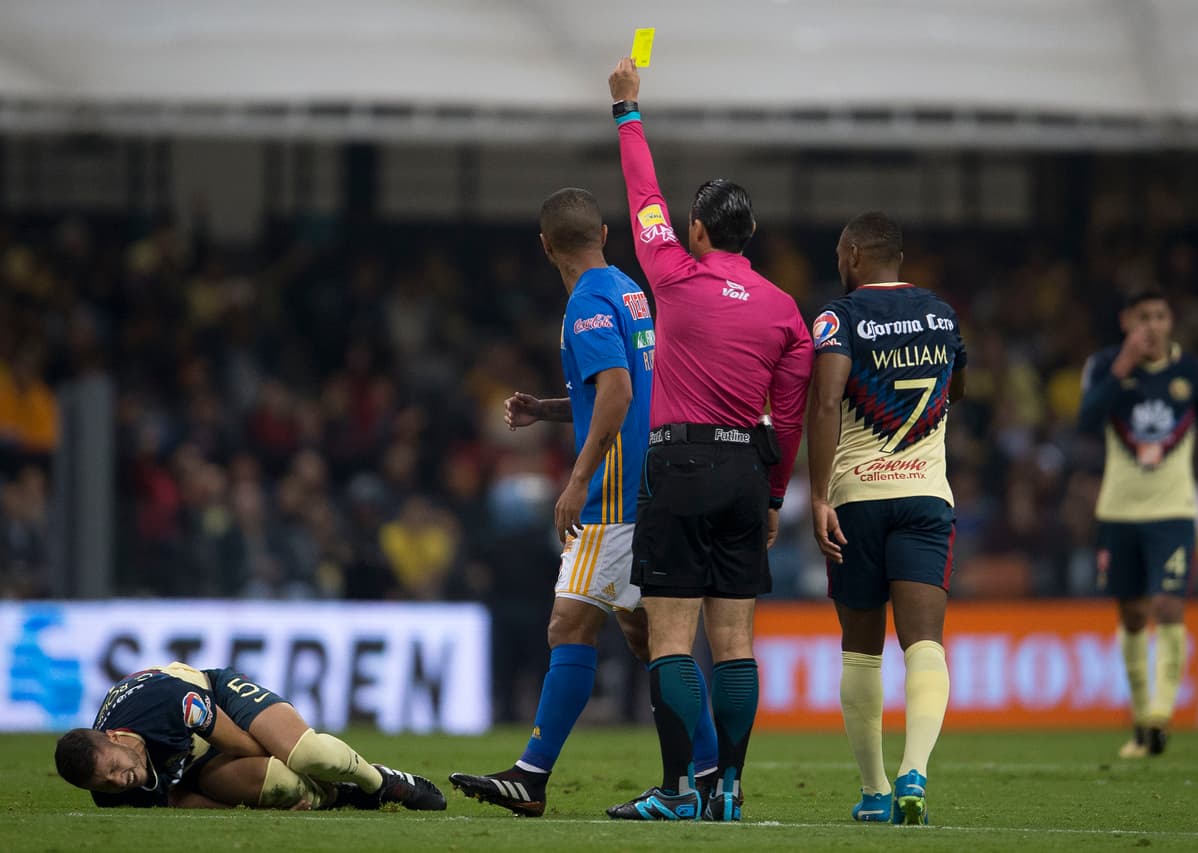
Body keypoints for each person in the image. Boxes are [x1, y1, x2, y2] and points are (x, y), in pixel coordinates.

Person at [449, 188, 718, 816]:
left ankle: (531, 775)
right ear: (603, 232)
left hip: (615, 498)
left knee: (569, 626)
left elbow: (619, 392)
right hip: (652, 487)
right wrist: (549, 409)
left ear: (545, 247)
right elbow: (627, 387)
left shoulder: (585, 304)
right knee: (653, 640)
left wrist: (575, 480)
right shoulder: (628, 289)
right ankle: (707, 775)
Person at [605, 59, 812, 822]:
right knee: (735, 642)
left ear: (698, 232)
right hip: (743, 471)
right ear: (749, 234)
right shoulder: (785, 309)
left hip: (680, 462)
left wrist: (628, 110)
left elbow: (642, 196)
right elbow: (786, 419)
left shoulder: (672, 273)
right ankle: (728, 787)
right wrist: (774, 495)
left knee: (670, 636)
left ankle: (673, 791)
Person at [807, 212, 965, 826]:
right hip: (926, 495)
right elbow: (959, 387)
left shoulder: (838, 317)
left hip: (857, 499)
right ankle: (915, 771)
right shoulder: (943, 314)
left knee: (862, 652)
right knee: (924, 643)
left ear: (851, 253)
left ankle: (874, 791)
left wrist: (817, 495)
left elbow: (825, 401)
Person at [1078, 288, 1198, 758]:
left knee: (1168, 607)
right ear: (1127, 321)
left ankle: (1159, 717)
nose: (1152, 325)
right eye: (1143, 317)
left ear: (1172, 321)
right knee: (1131, 616)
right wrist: (1122, 368)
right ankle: (1142, 719)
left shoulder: (1195, 373)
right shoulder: (1104, 366)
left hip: (1173, 512)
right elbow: (1085, 423)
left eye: (1161, 316)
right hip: (1119, 512)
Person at [54, 661, 446, 810]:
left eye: (114, 769)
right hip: (196, 760)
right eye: (104, 785)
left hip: (218, 702)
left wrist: (285, 755)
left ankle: (381, 782)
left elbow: (241, 743)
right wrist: (255, 810)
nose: (116, 781)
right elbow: (177, 799)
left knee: (305, 755)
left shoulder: (166, 704)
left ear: (117, 740)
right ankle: (340, 797)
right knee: (283, 787)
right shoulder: (112, 794)